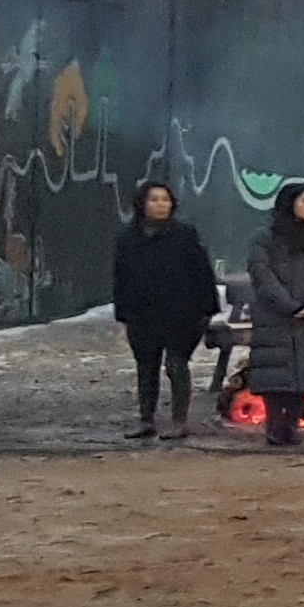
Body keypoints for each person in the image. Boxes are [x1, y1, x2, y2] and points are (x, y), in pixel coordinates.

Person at [112, 181, 221, 440]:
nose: (161, 204)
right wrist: (123, 312)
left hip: (181, 314)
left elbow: (202, 273)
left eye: (165, 199)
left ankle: (179, 420)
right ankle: (146, 419)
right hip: (142, 315)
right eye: (154, 199)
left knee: (176, 364)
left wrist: (206, 310)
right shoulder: (128, 239)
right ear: (142, 204)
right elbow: (121, 278)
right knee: (146, 367)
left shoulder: (185, 235)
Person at [246, 183, 304, 447]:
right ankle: (274, 426)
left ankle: (293, 425)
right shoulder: (264, 237)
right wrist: (290, 306)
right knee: (275, 375)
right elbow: (262, 276)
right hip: (274, 316)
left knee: (302, 375)